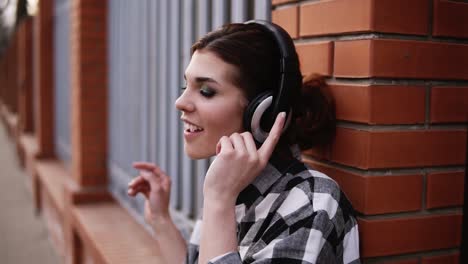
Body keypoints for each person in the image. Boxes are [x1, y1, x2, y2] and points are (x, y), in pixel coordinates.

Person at [127, 20, 360, 264]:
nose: (180, 102)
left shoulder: (311, 204)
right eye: (186, 85)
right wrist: (161, 219)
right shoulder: (231, 186)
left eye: (206, 91)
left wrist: (218, 201)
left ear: (262, 111)